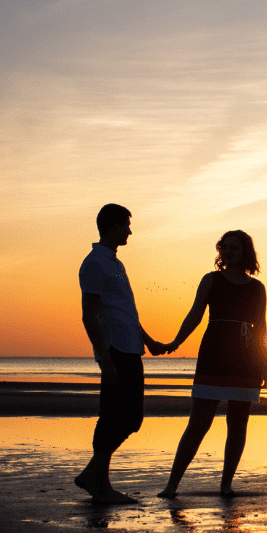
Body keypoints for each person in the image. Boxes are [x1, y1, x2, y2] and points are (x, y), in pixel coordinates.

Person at [157, 230, 267, 498]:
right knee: (198, 423)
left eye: (235, 247)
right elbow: (195, 314)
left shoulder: (257, 287)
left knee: (238, 423)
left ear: (245, 252)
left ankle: (226, 484)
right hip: (214, 354)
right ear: (220, 251)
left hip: (245, 358)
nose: (229, 251)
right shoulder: (211, 280)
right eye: (225, 247)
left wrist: (264, 362)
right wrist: (175, 342)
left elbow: (262, 327)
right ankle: (171, 486)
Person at [76, 203, 168, 504]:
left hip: (131, 348)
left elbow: (124, 311)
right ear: (114, 226)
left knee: (131, 419)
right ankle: (99, 482)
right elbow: (89, 315)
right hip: (114, 349)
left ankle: (94, 474)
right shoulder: (95, 263)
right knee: (113, 416)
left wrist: (149, 341)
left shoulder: (116, 263)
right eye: (127, 225)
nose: (130, 230)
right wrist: (104, 360)